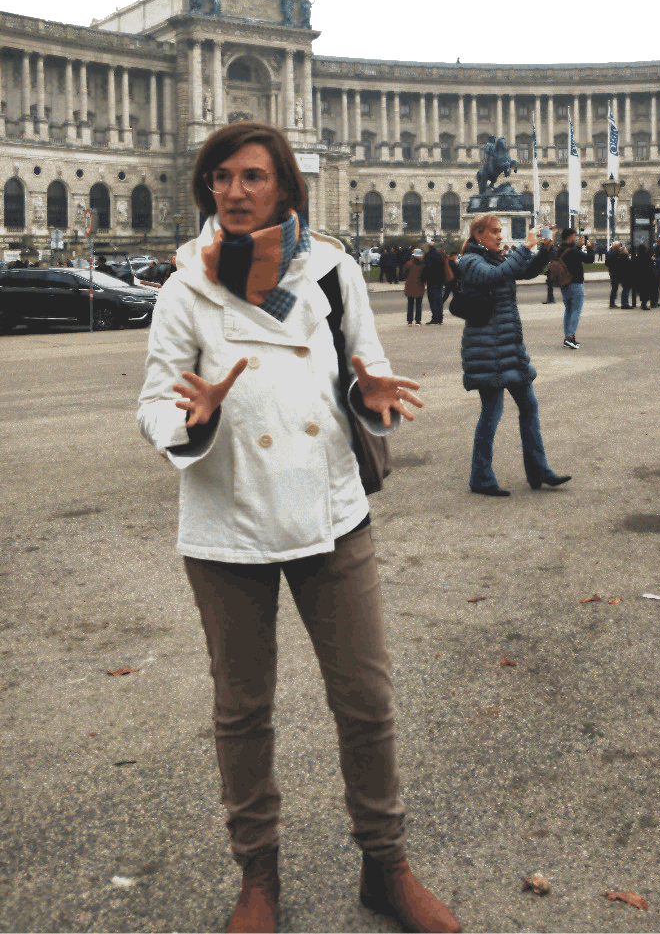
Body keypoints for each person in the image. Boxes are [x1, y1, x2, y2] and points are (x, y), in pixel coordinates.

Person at [135, 121, 460, 934]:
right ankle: (258, 879)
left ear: (285, 185)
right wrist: (190, 414)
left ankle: (386, 866)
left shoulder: (333, 271)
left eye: (251, 177)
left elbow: (363, 368)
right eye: (221, 178)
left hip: (331, 513)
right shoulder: (186, 288)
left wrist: (371, 395)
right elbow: (151, 403)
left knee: (366, 698)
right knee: (242, 710)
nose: (234, 192)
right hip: (228, 520)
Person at [458, 213, 569, 497]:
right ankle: (480, 477)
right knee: (491, 413)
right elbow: (497, 276)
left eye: (501, 231)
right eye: (494, 231)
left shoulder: (493, 259)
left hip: (508, 347)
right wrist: (526, 246)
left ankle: (538, 470)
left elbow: (525, 272)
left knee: (529, 407)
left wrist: (544, 247)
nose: (500, 236)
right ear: (478, 234)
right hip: (487, 350)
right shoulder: (471, 262)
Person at [553, 228, 595, 348]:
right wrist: (589, 247)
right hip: (575, 283)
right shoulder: (573, 251)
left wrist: (578, 246)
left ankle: (567, 336)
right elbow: (590, 259)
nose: (575, 238)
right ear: (570, 236)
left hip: (564, 283)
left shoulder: (560, 249)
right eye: (574, 236)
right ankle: (570, 337)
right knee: (576, 310)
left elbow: (570, 253)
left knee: (568, 310)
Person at [422, 241, 448, 325]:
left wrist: (424, 279)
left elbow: (426, 268)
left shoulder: (428, 256)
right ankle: (440, 318)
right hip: (439, 280)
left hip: (431, 280)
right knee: (439, 299)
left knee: (432, 299)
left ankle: (435, 317)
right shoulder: (439, 255)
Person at [401, 247, 425, 326]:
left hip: (410, 285)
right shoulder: (423, 264)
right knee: (418, 304)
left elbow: (404, 274)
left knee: (410, 304)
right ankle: (418, 321)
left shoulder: (409, 263)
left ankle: (410, 321)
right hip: (420, 285)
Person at [632, 244, 654, 309]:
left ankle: (636, 303)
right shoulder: (647, 256)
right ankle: (644, 303)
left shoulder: (636, 257)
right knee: (646, 290)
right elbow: (651, 265)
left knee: (640, 290)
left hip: (639, 276)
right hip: (646, 275)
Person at [606, 241, 625, 308]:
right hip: (615, 273)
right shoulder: (615, 254)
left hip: (612, 272)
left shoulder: (609, 253)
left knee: (614, 288)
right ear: (616, 246)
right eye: (619, 246)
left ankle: (612, 302)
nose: (620, 247)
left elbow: (606, 263)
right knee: (615, 288)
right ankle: (612, 303)